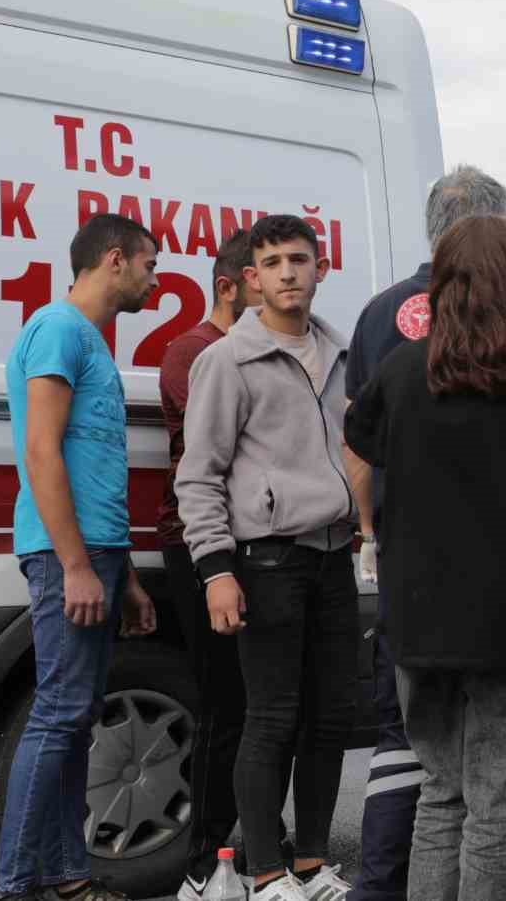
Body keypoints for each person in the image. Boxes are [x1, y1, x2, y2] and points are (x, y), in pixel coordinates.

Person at [344, 215, 506, 901]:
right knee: (502, 802)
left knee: (443, 793)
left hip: (417, 623)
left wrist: (374, 532)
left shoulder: (403, 370)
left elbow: (359, 438)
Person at [176, 214, 359, 901]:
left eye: (300, 260)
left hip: (334, 556)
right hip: (265, 563)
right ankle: (264, 872)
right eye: (274, 262)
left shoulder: (342, 356)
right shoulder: (226, 360)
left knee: (330, 717)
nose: (288, 272)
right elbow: (199, 474)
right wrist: (217, 569)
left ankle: (311, 865)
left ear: (320, 269)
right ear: (251, 278)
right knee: (271, 717)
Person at [343, 164, 506, 901]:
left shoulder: (379, 312)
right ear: (493, 230)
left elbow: (355, 443)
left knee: (406, 734)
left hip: (402, 555)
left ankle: (383, 885)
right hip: (486, 561)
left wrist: (368, 531)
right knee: (486, 755)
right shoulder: (499, 311)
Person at [0, 215, 160, 901]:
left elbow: (91, 467)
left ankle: (67, 878)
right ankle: (14, 886)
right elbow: (41, 450)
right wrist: (75, 565)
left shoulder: (85, 339)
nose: (153, 280)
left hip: (96, 553)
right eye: (149, 265)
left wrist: (121, 579)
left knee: (75, 718)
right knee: (59, 716)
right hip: (68, 553)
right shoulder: (58, 329)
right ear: (114, 260)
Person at [158, 230, 288, 897]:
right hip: (200, 548)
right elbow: (236, 450)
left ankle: (266, 848)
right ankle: (204, 861)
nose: (279, 289)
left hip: (257, 551)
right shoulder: (194, 351)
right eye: (262, 279)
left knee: (262, 708)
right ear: (230, 286)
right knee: (222, 708)